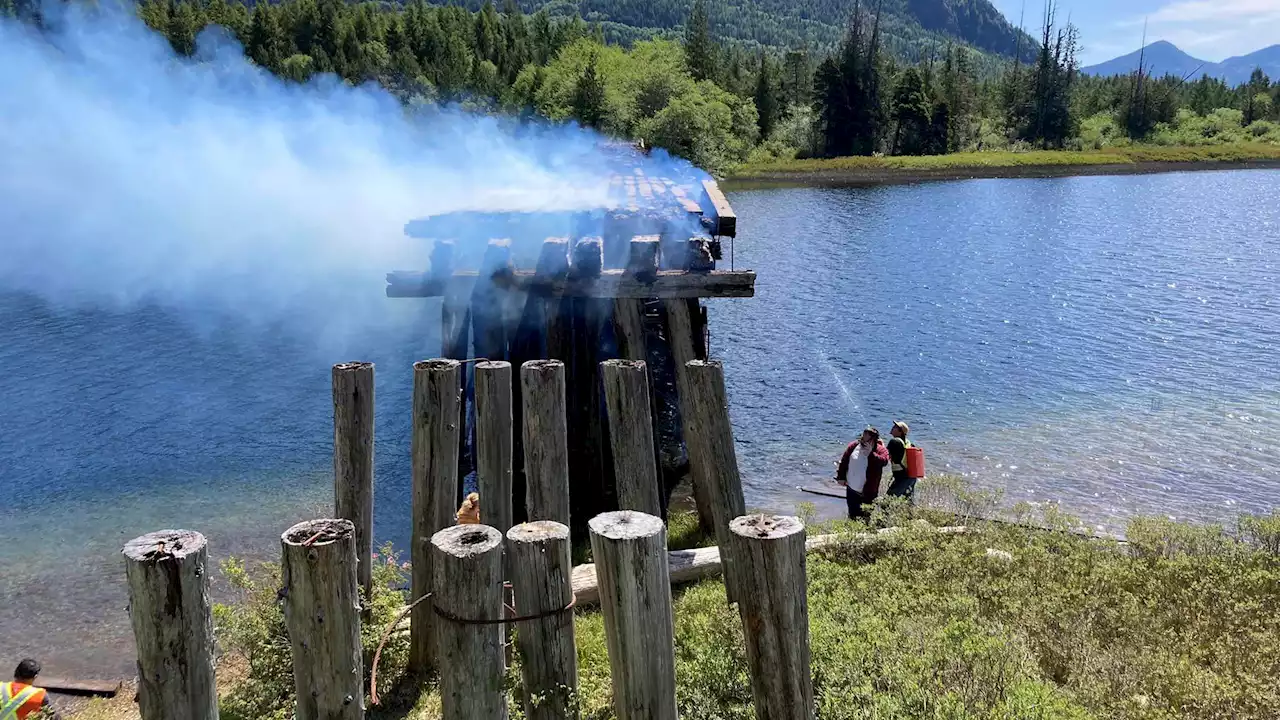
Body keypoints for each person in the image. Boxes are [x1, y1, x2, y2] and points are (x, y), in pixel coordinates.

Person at [835, 426, 890, 520]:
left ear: (873, 439)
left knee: (866, 516)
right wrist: (841, 477)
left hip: (869, 491)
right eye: (864, 434)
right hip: (852, 488)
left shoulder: (880, 450)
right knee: (852, 514)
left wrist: (871, 453)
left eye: (867, 435)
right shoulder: (854, 445)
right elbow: (844, 461)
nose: (864, 438)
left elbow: (884, 461)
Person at [886, 420, 917, 500]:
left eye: (895, 427)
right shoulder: (908, 443)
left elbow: (885, 455)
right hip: (911, 477)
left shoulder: (894, 441)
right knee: (906, 503)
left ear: (900, 432)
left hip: (902, 478)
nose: (892, 428)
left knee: (886, 503)